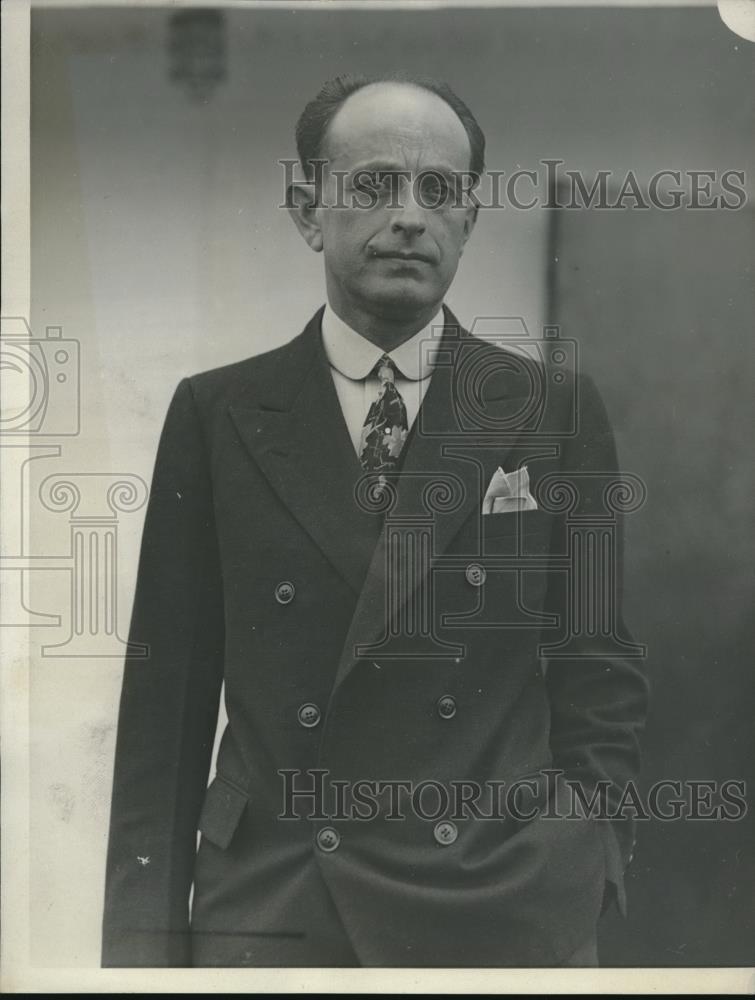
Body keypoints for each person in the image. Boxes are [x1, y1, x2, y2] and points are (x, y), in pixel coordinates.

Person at [102, 73, 648, 968]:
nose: (408, 216)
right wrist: (140, 949)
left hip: (498, 902)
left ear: (469, 220)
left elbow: (599, 666)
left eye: (439, 190)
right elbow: (165, 712)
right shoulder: (219, 412)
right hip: (277, 906)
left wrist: (587, 854)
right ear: (306, 208)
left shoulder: (550, 411)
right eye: (372, 184)